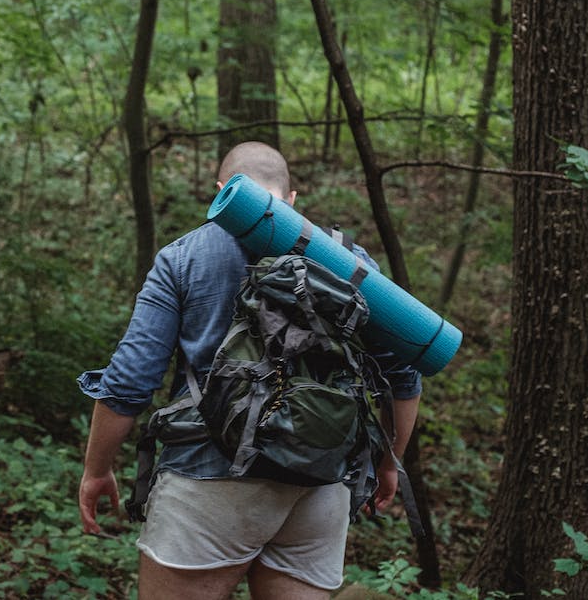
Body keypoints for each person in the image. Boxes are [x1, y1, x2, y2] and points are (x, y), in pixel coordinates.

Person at [76, 141, 421, 600]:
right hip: (320, 484)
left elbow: (129, 383)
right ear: (292, 198)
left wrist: (96, 469)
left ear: (222, 191)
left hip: (207, 476)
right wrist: (388, 462)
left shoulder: (182, 259)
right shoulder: (349, 264)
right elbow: (403, 378)